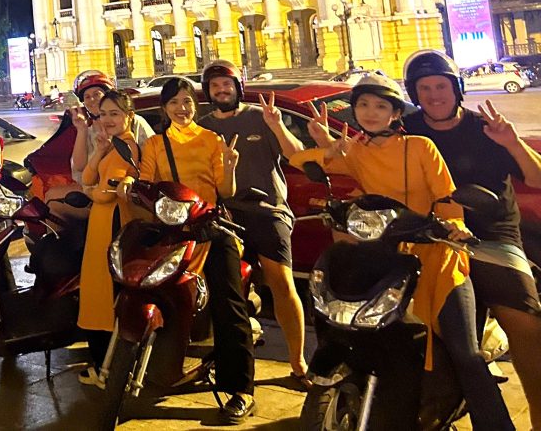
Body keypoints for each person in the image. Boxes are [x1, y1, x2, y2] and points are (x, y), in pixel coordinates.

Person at [299, 75, 513, 431]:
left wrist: (453, 227)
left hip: (437, 256)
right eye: (363, 105)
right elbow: (303, 162)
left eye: (381, 106)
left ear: (396, 113)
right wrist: (327, 150)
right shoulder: (356, 149)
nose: (370, 113)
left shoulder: (420, 147)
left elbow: (447, 196)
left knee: (465, 352)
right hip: (385, 258)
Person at [401, 49, 541, 429]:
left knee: (526, 326)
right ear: (414, 93)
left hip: (492, 238)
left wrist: (512, 142)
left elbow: (536, 177)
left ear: (456, 89)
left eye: (441, 86)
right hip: (431, 240)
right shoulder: (407, 130)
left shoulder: (486, 129)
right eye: (424, 88)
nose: (434, 95)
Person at [129, 76, 253, 424]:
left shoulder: (212, 139)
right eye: (174, 103)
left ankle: (241, 390)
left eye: (187, 102)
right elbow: (148, 184)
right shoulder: (155, 143)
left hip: (209, 227)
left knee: (229, 302)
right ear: (164, 109)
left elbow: (224, 190)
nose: (181, 109)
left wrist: (229, 167)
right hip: (171, 229)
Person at [196, 60, 309, 383]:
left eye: (226, 85)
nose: (221, 90)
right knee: (223, 289)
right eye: (215, 86)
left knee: (283, 284)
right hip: (227, 215)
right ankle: (228, 358)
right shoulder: (203, 128)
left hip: (268, 211)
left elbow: (297, 154)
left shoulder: (260, 117)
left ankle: (298, 362)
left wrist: (277, 125)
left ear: (237, 88)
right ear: (208, 92)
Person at [75, 89, 141, 388]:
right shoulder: (109, 145)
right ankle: (103, 363)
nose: (108, 119)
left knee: (106, 292)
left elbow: (102, 192)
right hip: (99, 225)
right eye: (103, 114)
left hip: (115, 224)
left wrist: (94, 191)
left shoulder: (128, 146)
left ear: (129, 116)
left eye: (115, 113)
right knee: (95, 289)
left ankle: (110, 367)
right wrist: (99, 150)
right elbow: (87, 179)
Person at [70, 71, 154, 177]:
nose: (92, 99)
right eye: (87, 97)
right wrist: (82, 130)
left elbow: (154, 156)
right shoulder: (89, 131)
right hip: (97, 189)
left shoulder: (135, 122)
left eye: (96, 94)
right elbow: (80, 168)